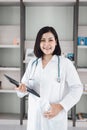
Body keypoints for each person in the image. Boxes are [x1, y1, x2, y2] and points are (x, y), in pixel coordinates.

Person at [16, 26, 83, 130]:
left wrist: (61, 106)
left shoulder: (65, 64)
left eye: (50, 40)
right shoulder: (32, 64)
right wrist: (21, 89)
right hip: (35, 119)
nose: (46, 44)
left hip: (54, 119)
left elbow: (77, 88)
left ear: (56, 42)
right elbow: (22, 90)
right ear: (39, 43)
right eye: (43, 40)